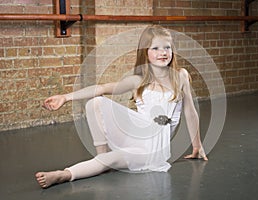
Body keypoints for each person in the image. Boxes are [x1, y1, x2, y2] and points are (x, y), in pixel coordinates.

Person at [36, 25, 208, 189]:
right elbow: (102, 88)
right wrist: (65, 97)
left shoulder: (180, 76)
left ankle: (63, 175)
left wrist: (197, 145)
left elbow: (190, 112)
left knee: (110, 161)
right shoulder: (138, 81)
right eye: (155, 48)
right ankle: (100, 154)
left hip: (152, 149)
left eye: (167, 47)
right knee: (95, 102)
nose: (163, 52)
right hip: (135, 133)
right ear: (145, 53)